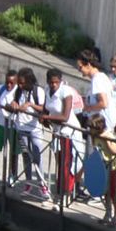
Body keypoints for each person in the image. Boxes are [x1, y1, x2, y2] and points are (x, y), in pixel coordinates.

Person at [41, 68, 81, 200]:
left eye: (56, 82)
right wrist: (44, 117)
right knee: (59, 161)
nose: (54, 85)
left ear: (60, 81)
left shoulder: (66, 92)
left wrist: (47, 118)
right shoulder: (47, 90)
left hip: (68, 131)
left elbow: (65, 116)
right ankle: (60, 189)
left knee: (67, 163)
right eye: (51, 82)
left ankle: (67, 193)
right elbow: (46, 109)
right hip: (56, 130)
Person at [76, 48, 115, 130]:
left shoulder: (97, 79)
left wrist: (87, 108)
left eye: (80, 67)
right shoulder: (99, 78)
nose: (79, 70)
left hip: (104, 125)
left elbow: (104, 103)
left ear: (88, 65)